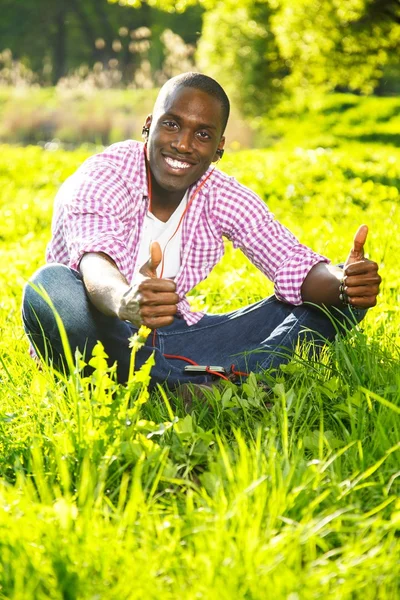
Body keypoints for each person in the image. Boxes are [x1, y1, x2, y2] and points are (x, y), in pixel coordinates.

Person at [22, 72, 381, 388]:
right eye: (172, 124)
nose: (182, 144)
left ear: (218, 146)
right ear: (150, 124)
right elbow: (94, 262)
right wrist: (125, 301)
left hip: (177, 339)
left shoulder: (220, 193)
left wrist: (345, 284)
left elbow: (290, 261)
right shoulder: (104, 175)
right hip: (100, 336)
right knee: (51, 288)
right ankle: (197, 384)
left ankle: (188, 383)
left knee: (338, 299)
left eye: (203, 134)